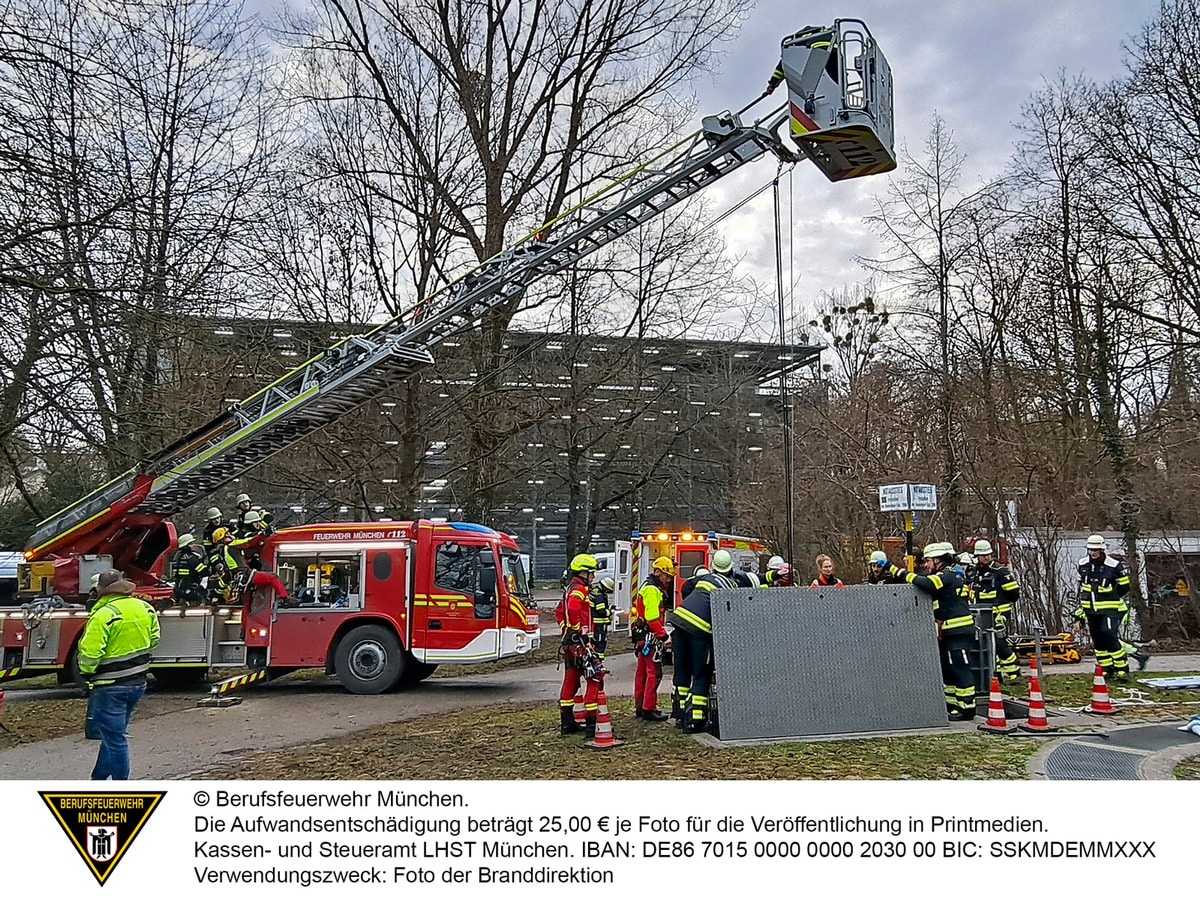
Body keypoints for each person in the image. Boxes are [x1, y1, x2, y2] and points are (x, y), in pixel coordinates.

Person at [79, 570, 160, 780]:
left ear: (101, 591)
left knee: (115, 739)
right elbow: (154, 639)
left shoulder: (104, 615)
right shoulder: (145, 608)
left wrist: (86, 672)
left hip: (109, 685)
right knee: (112, 735)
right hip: (138, 683)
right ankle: (98, 778)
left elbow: (90, 652)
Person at [885, 542, 977, 721]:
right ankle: (953, 707)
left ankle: (967, 709)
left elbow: (926, 583)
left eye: (927, 561)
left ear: (937, 560)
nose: (925, 565)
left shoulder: (948, 574)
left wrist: (898, 571)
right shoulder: (952, 574)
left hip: (957, 631)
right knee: (949, 670)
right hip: (948, 633)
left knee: (959, 669)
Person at [668, 549, 736, 733]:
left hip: (679, 622)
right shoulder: (729, 586)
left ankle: (681, 716)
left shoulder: (705, 580)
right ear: (730, 569)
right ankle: (696, 721)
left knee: (682, 672)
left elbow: (687, 587)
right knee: (701, 673)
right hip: (699, 631)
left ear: (713, 567)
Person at [1073, 533, 1134, 681]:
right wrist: (1080, 614)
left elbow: (1125, 586)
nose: (1093, 553)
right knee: (1098, 639)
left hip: (1110, 608)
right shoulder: (1083, 564)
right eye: (1091, 550)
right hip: (1090, 609)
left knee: (1108, 634)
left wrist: (1111, 595)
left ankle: (1122, 669)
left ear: (1102, 549)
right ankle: (1107, 668)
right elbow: (1082, 588)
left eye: (1096, 550)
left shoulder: (1114, 566)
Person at [557, 554, 604, 737]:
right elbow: (574, 609)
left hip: (570, 644)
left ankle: (567, 723)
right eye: (591, 573)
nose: (593, 577)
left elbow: (559, 612)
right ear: (583, 573)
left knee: (571, 680)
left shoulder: (570, 588)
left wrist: (566, 630)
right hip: (581, 644)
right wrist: (580, 631)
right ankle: (592, 725)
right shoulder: (579, 591)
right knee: (595, 677)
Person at [972, 540, 1022, 684]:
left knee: (999, 642)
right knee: (987, 644)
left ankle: (1014, 674)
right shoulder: (975, 572)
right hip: (982, 615)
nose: (986, 558)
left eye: (988, 554)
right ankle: (997, 675)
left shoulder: (1000, 571)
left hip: (999, 614)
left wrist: (1003, 605)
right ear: (977, 556)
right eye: (983, 555)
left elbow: (1014, 592)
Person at [631, 557, 673, 722]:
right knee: (654, 673)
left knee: (641, 673)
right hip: (651, 637)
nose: (668, 580)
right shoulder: (653, 590)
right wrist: (664, 637)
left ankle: (641, 707)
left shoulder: (646, 586)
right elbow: (652, 618)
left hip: (642, 637)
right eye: (666, 576)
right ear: (657, 572)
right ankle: (649, 708)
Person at [171, 533, 209, 608]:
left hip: (179, 589)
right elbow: (204, 572)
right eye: (191, 543)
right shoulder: (192, 559)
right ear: (186, 546)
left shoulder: (178, 558)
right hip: (191, 589)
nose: (194, 545)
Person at [589, 576, 615, 660]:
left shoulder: (594, 591)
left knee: (596, 642)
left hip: (595, 624)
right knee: (600, 643)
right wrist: (610, 612)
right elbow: (601, 611)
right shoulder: (599, 596)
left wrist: (610, 607)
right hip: (599, 624)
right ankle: (598, 662)